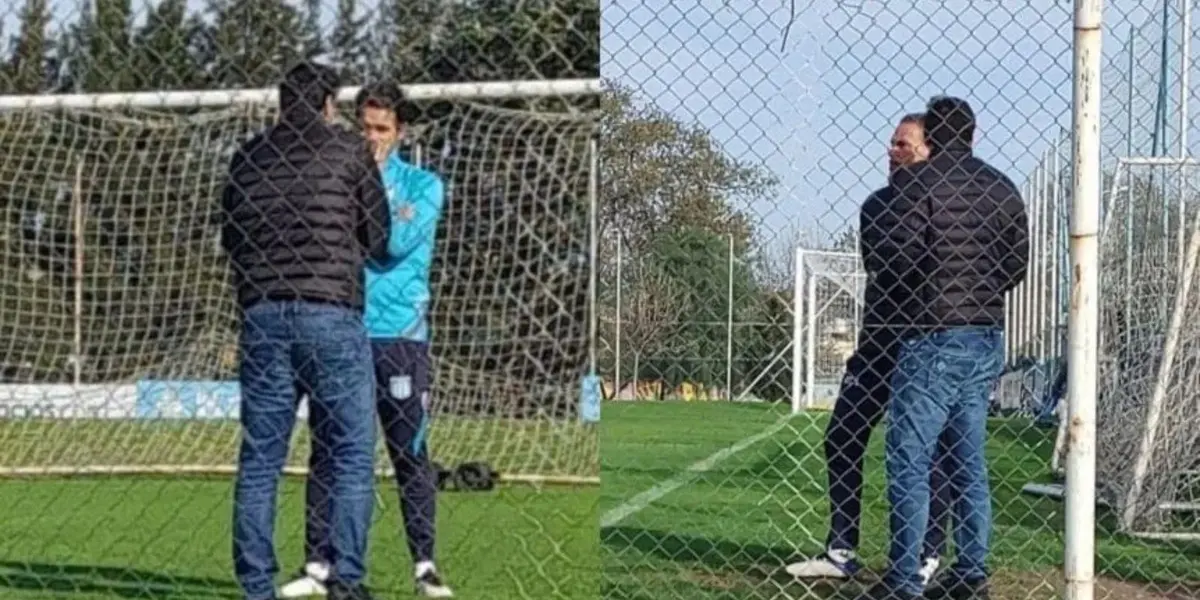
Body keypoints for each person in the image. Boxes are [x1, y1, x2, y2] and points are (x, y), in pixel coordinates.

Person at [279, 82, 453, 599]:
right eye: (365, 127)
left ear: (399, 133)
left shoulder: (423, 186)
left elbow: (391, 243)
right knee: (328, 450)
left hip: (399, 337)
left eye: (382, 129)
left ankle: (423, 564)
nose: (372, 137)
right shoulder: (332, 182)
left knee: (408, 453)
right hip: (341, 331)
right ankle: (317, 565)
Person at [223, 61, 389, 600]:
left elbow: (232, 240)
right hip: (331, 313)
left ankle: (255, 586)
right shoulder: (350, 150)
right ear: (328, 103)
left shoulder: (246, 157)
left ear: (279, 103)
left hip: (264, 315)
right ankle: (347, 581)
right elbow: (379, 234)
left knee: (260, 460)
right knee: (351, 454)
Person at [857, 96, 1028, 600]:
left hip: (930, 332)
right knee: (967, 457)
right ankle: (972, 573)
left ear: (932, 135)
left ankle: (905, 579)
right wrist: (981, 287)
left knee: (910, 456)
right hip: (984, 333)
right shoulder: (1002, 187)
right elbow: (1017, 262)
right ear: (973, 134)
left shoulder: (918, 184)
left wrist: (923, 288)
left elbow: (897, 257)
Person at [786, 113, 952, 585]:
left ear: (929, 150)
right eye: (892, 144)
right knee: (842, 434)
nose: (892, 151)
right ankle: (841, 550)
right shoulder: (878, 205)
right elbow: (887, 264)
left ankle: (928, 553)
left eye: (904, 144)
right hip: (877, 343)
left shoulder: (948, 205)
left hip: (923, 345)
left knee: (930, 449)